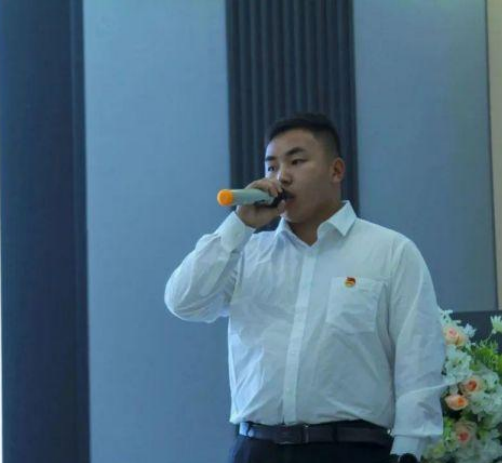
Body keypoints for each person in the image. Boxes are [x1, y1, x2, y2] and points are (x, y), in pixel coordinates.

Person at [164, 113, 447, 463]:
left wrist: (407, 452)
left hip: (351, 450)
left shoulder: (390, 252)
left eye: (296, 162)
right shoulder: (248, 253)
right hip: (257, 448)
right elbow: (183, 302)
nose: (281, 176)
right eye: (271, 167)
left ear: (336, 171)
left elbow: (418, 363)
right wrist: (239, 225)